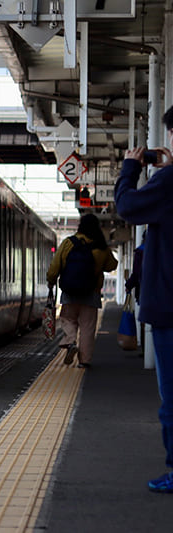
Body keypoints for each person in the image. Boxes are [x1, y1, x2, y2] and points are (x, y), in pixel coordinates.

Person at [114, 105, 173, 493]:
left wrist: (131, 169)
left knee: (172, 403)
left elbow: (128, 207)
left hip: (171, 310)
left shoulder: (171, 181)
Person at [46, 213, 118, 368]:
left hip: (70, 292)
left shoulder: (68, 243)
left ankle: (71, 341)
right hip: (91, 293)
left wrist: (51, 282)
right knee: (87, 328)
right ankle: (84, 361)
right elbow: (112, 265)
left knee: (68, 319)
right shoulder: (101, 247)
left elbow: (54, 267)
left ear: (80, 226)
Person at [125, 230, 145, 303]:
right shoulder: (164, 250)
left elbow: (137, 272)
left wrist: (129, 286)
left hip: (144, 289)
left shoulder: (140, 252)